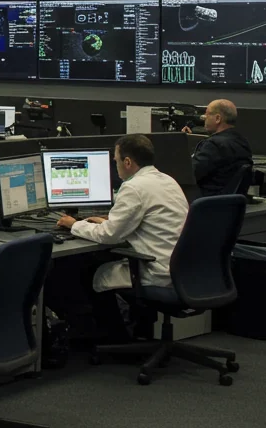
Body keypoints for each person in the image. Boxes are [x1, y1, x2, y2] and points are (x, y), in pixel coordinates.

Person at [53, 134, 188, 340]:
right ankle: (127, 333)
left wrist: (74, 224)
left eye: (115, 160)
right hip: (181, 269)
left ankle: (113, 338)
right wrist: (108, 221)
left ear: (128, 161)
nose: (114, 165)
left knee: (89, 271)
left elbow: (108, 235)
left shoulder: (134, 187)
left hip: (156, 271)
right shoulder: (167, 180)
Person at [186, 99, 252, 197]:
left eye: (207, 114)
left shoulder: (213, 145)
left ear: (217, 118)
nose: (204, 118)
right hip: (229, 203)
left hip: (206, 202)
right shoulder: (243, 142)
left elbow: (190, 175)